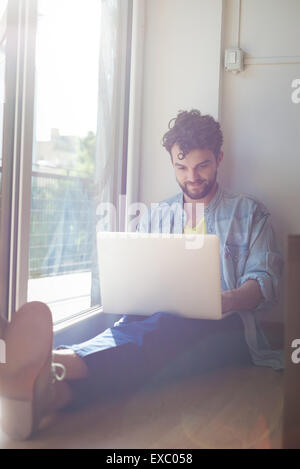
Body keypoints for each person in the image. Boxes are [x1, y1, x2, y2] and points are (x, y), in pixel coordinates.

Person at [0, 110, 284, 441]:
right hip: (157, 323)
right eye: (181, 167)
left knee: (167, 327)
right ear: (171, 163)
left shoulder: (250, 213)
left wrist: (221, 300)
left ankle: (53, 362)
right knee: (133, 327)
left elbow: (264, 285)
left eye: (202, 166)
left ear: (219, 158)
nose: (192, 176)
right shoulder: (155, 217)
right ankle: (52, 393)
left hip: (229, 330)